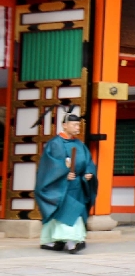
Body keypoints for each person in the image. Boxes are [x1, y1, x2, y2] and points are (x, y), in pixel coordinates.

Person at [35, 109, 96, 254]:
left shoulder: (80, 144)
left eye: (78, 125)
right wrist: (63, 173)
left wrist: (89, 172)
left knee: (75, 211)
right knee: (67, 212)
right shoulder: (55, 144)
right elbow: (49, 166)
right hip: (60, 187)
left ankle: (54, 240)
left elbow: (88, 161)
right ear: (64, 125)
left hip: (78, 184)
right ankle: (71, 241)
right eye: (74, 125)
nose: (77, 128)